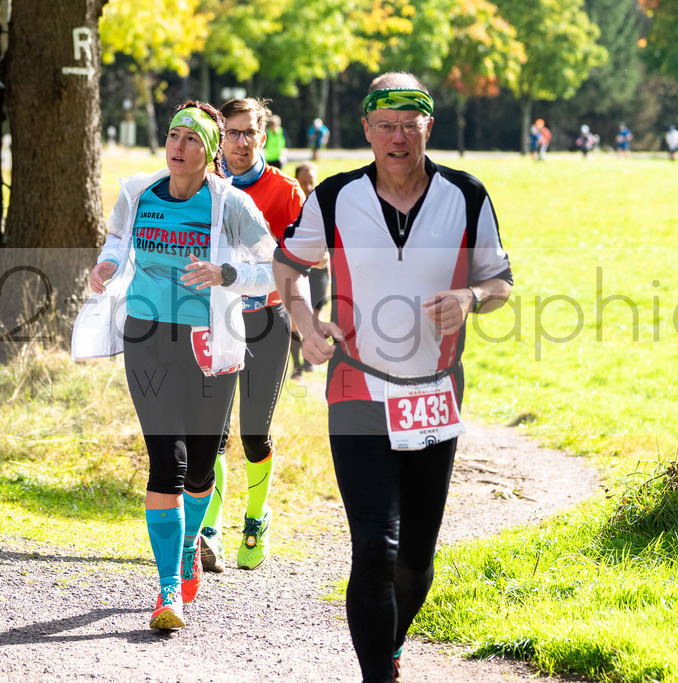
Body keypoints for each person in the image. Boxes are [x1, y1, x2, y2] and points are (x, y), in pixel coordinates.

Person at [273, 72, 512, 682]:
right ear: (367, 131)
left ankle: (391, 642)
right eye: (386, 126)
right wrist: (304, 320)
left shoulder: (466, 195)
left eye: (410, 125)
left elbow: (501, 281)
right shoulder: (333, 196)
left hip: (435, 394)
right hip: (358, 385)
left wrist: (470, 297)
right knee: (374, 544)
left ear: (429, 127)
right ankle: (377, 673)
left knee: (416, 562)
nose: (398, 137)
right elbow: (289, 266)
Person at [78, 100, 276, 630]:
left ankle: (190, 545)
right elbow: (119, 237)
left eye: (191, 140)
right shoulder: (137, 192)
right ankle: (168, 589)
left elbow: (274, 266)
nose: (177, 147)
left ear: (210, 153)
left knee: (204, 464)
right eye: (172, 136)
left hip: (210, 341)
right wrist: (108, 264)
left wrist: (226, 272)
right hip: (148, 335)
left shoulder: (229, 204)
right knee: (168, 460)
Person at [196, 98, 305, 573]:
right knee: (213, 435)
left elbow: (303, 259)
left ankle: (256, 517)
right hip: (216, 321)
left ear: (264, 136)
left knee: (253, 434)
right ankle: (210, 531)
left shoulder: (284, 191)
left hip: (266, 322)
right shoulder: (204, 185)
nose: (240, 142)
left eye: (249, 133)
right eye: (232, 133)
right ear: (220, 137)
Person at [288, 162, 327, 380]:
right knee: (296, 318)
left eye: (311, 182)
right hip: (296, 268)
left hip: (319, 268)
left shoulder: (323, 204)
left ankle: (310, 357)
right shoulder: (290, 204)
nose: (308, 187)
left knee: (315, 316)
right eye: (303, 183)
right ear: (296, 182)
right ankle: (297, 364)